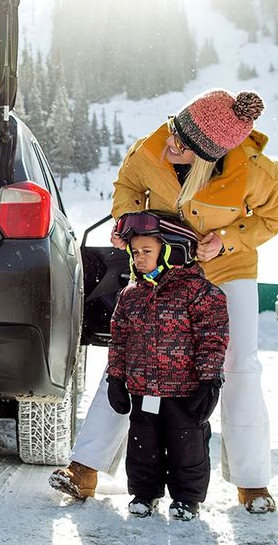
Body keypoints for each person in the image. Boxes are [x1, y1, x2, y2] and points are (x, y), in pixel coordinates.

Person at [50, 89, 278, 514]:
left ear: (207, 157)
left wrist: (228, 241)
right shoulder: (154, 146)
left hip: (227, 271)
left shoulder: (256, 172)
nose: (169, 144)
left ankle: (252, 483)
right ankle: (84, 468)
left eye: (180, 144)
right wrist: (126, 219)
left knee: (239, 366)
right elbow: (127, 185)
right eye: (173, 131)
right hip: (161, 272)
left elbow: (276, 215)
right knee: (128, 361)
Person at [105, 211, 228, 521]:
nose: (140, 258)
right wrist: (116, 379)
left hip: (184, 390)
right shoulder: (131, 296)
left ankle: (187, 498)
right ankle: (144, 493)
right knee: (142, 443)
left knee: (187, 445)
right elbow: (119, 340)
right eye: (136, 252)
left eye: (147, 251)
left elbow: (212, 336)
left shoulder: (197, 291)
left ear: (170, 250)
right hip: (143, 388)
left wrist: (209, 380)